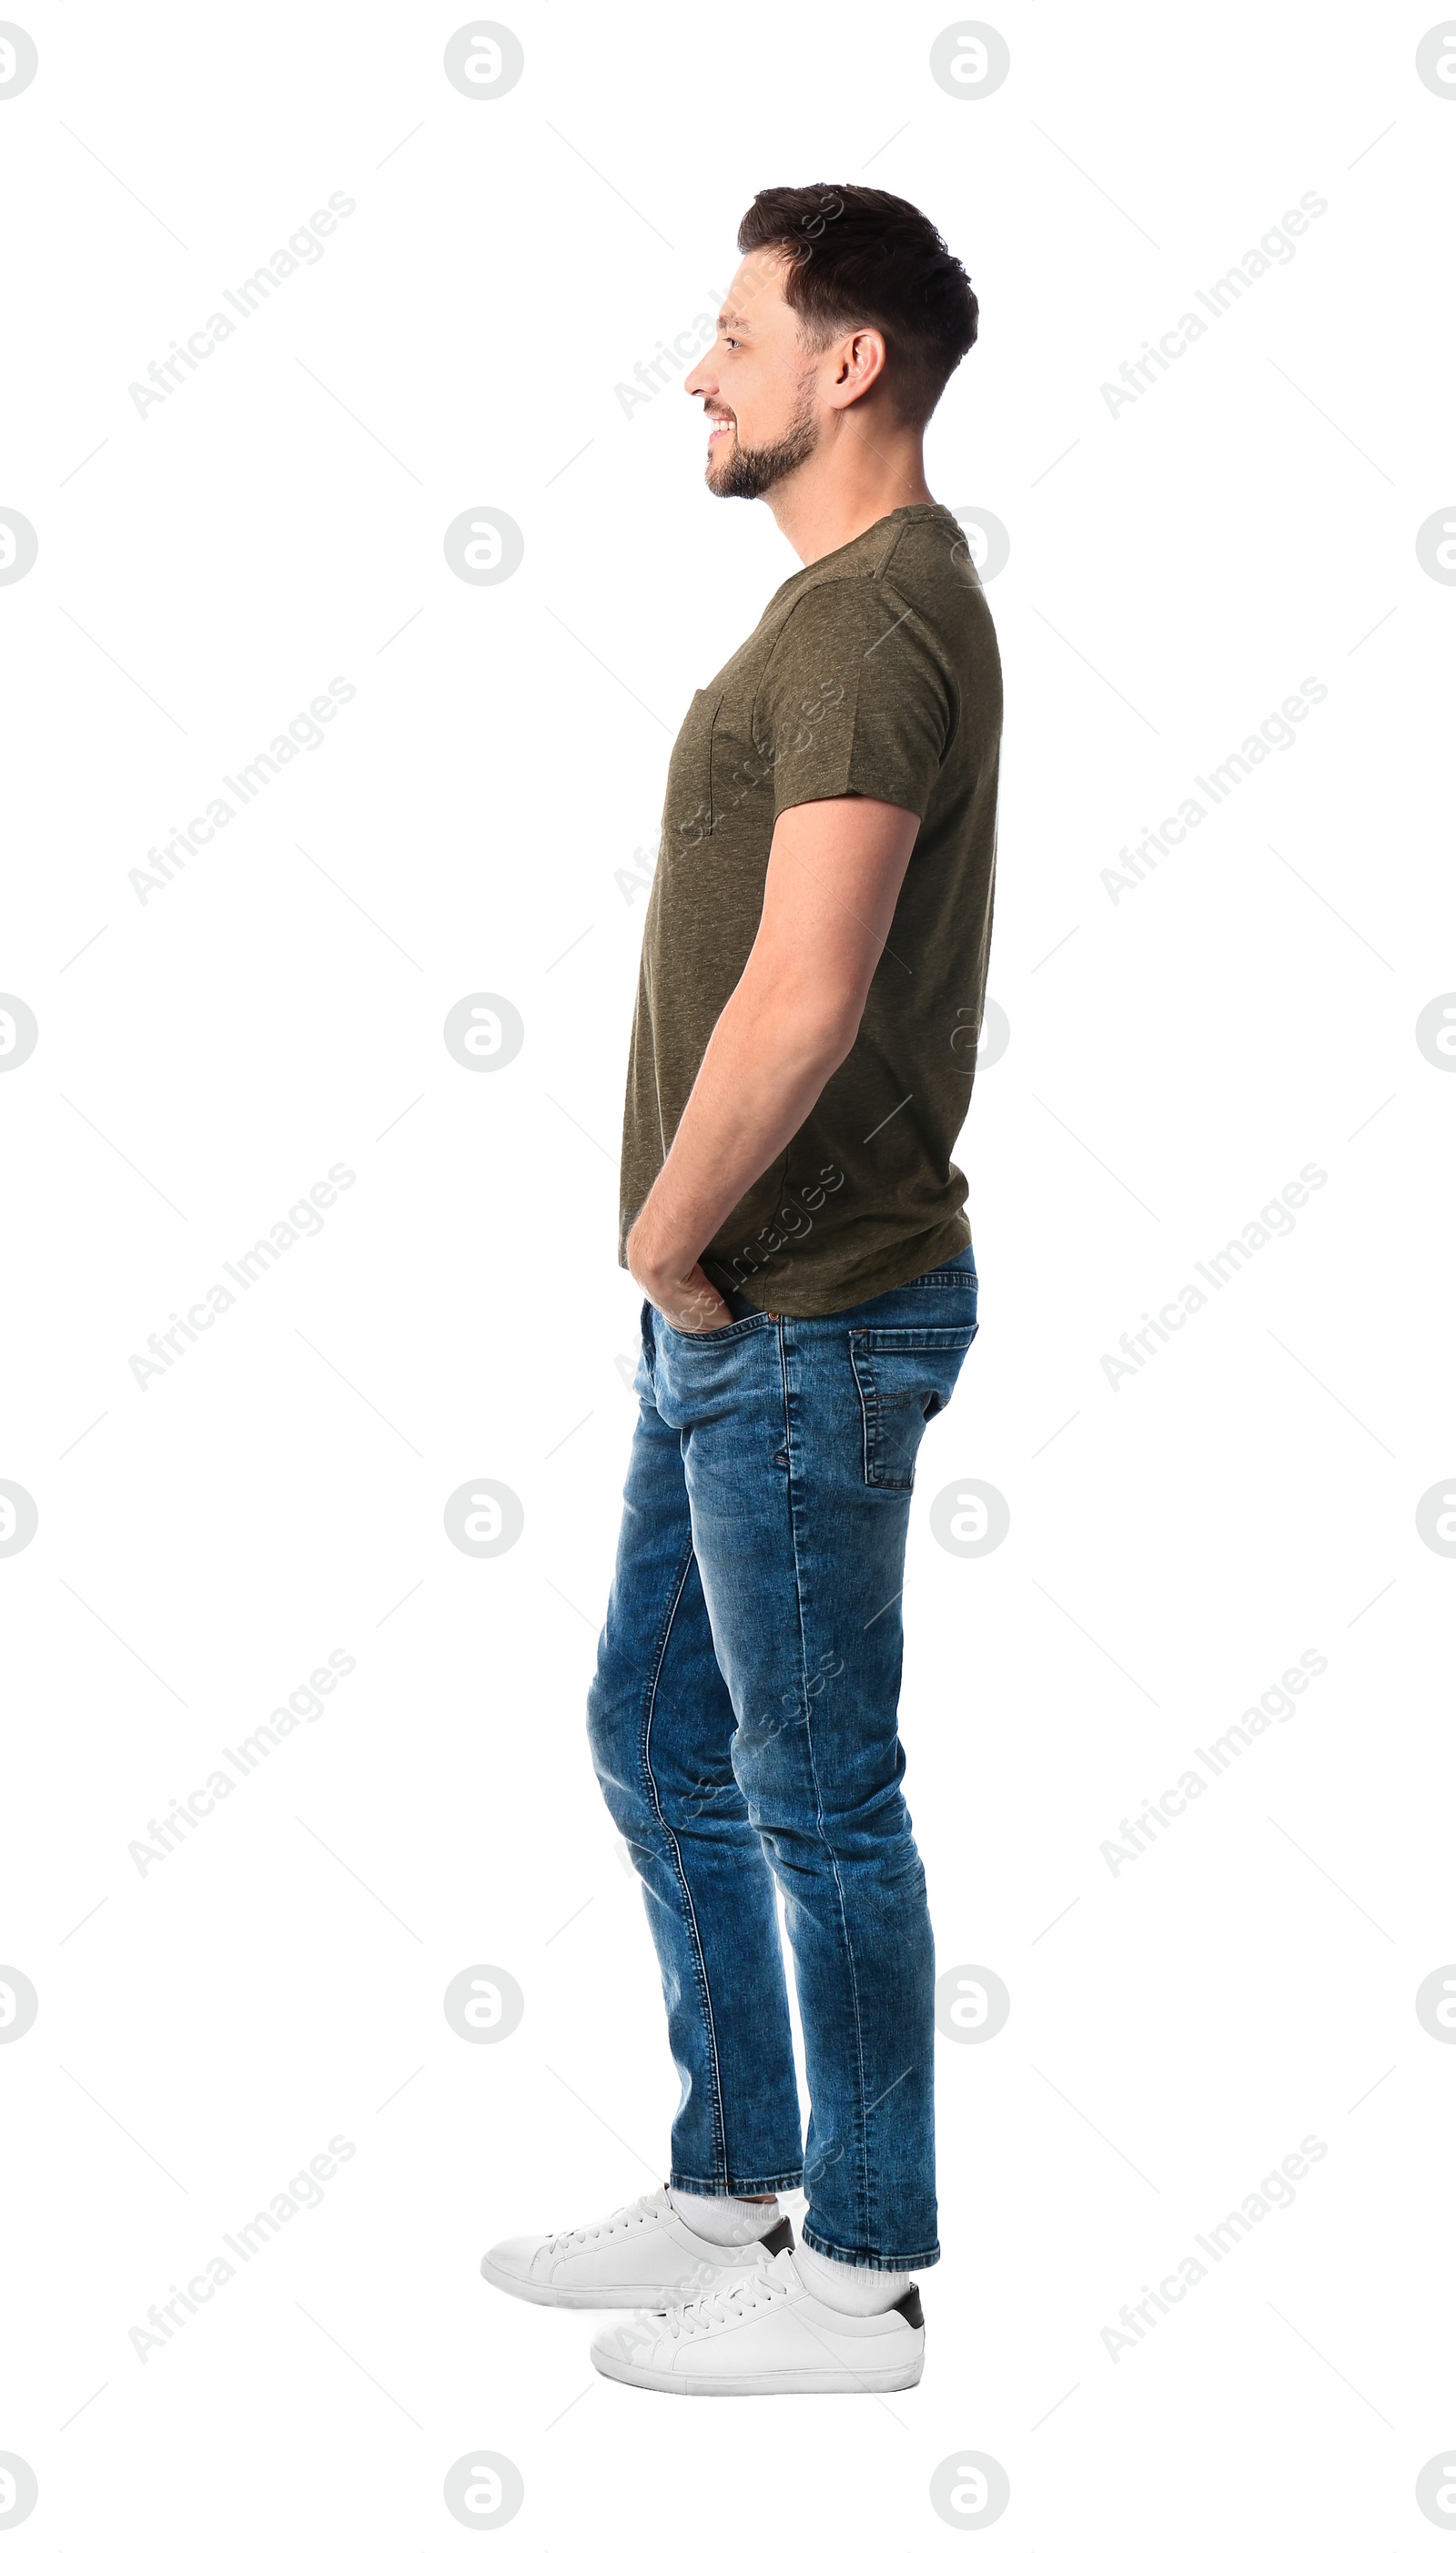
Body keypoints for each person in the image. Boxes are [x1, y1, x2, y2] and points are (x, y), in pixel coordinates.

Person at [482, 182, 1001, 2395]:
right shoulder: (840, 611)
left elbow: (804, 992)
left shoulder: (877, 620)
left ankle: (861, 2269)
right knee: (657, 1733)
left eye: (733, 333)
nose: (699, 373)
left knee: (813, 1790)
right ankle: (732, 2178)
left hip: (793, 1311)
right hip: (740, 1318)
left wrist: (666, 1241)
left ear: (843, 364)